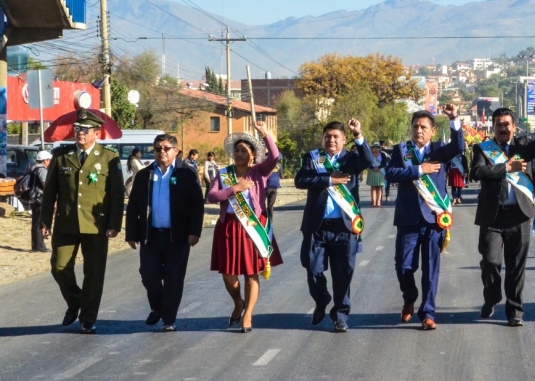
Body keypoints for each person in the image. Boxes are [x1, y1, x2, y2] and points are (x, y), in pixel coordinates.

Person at [470, 104, 535, 326]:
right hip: (492, 215)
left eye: (507, 124)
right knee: (490, 261)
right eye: (499, 125)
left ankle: (515, 311)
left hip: (519, 215)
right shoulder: (483, 149)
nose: (503, 128)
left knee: (516, 266)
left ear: (514, 126)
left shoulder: (523, 146)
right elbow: (477, 172)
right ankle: (491, 297)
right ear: (493, 127)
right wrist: (506, 168)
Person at [40, 109, 126, 334]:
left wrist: (114, 224)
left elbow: (116, 194)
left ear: (96, 133)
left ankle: (88, 317)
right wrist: (44, 221)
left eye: (85, 130)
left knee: (94, 273)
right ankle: (76, 300)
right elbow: (49, 192)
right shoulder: (62, 155)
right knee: (59, 267)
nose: (80, 133)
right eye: (78, 129)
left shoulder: (109, 157)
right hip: (66, 223)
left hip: (97, 225)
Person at [384, 105, 464, 330]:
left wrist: (454, 119)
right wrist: (420, 169)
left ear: (432, 131)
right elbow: (391, 174)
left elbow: (459, 146)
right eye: (415, 126)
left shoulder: (439, 150)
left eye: (423, 127)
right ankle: (409, 297)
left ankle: (428, 313)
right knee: (403, 266)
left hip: (434, 218)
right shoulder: (401, 150)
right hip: (408, 218)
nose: (418, 130)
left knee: (430, 269)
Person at [295, 120, 373, 333]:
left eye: (336, 137)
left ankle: (340, 315)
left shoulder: (351, 159)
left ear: (344, 139)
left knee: (343, 273)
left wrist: (358, 134)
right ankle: (321, 299)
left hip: (344, 227)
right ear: (322, 139)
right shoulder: (312, 158)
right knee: (312, 268)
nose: (331, 140)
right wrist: (329, 179)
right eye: (327, 136)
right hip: (317, 226)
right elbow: (301, 180)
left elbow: (369, 159)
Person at [208, 122, 283, 333]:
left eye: (244, 150)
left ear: (252, 154)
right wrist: (234, 188)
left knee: (251, 273)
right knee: (228, 274)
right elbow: (212, 196)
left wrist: (265, 134)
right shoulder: (224, 174)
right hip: (229, 228)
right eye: (237, 150)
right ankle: (238, 302)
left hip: (252, 227)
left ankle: (248, 314)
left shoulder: (259, 171)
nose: (240, 154)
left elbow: (275, 157)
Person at [125, 134, 204, 332]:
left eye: (166, 148)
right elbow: (133, 206)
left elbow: (197, 205)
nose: (162, 151)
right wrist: (131, 234)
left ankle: (168, 319)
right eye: (158, 148)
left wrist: (194, 231)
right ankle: (158, 307)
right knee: (148, 275)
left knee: (173, 278)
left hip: (177, 236)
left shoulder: (186, 174)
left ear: (176, 151)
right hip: (150, 235)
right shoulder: (144, 175)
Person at [29, 150, 52, 253]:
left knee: (35, 222)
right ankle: (39, 246)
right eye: (49, 160)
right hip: (40, 198)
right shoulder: (42, 169)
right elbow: (45, 185)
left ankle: (36, 245)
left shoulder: (33, 168)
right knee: (39, 222)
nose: (50, 162)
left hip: (33, 198)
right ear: (44, 160)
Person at [367, 142, 388, 207]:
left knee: (379, 187)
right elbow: (367, 163)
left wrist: (378, 167)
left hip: (380, 171)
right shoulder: (370, 155)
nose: (376, 149)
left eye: (377, 148)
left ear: (379, 149)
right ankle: (374, 202)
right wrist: (373, 168)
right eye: (374, 148)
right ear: (372, 149)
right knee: (373, 187)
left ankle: (378, 202)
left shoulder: (382, 155)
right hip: (372, 171)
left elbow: (384, 163)